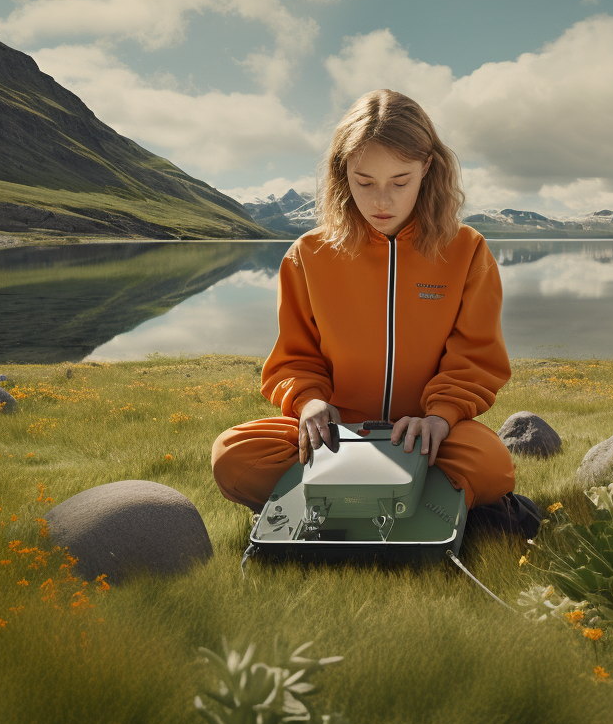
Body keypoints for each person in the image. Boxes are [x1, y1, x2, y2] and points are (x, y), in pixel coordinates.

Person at [210, 89, 540, 538]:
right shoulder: (307, 254)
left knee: (492, 465)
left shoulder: (466, 250)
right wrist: (309, 403)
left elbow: (475, 360)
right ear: (342, 173)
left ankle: (339, 502)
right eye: (364, 182)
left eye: (400, 181)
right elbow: (295, 357)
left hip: (424, 437)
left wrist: (439, 417)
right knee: (233, 454)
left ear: (428, 168)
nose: (381, 200)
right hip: (335, 435)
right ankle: (420, 506)